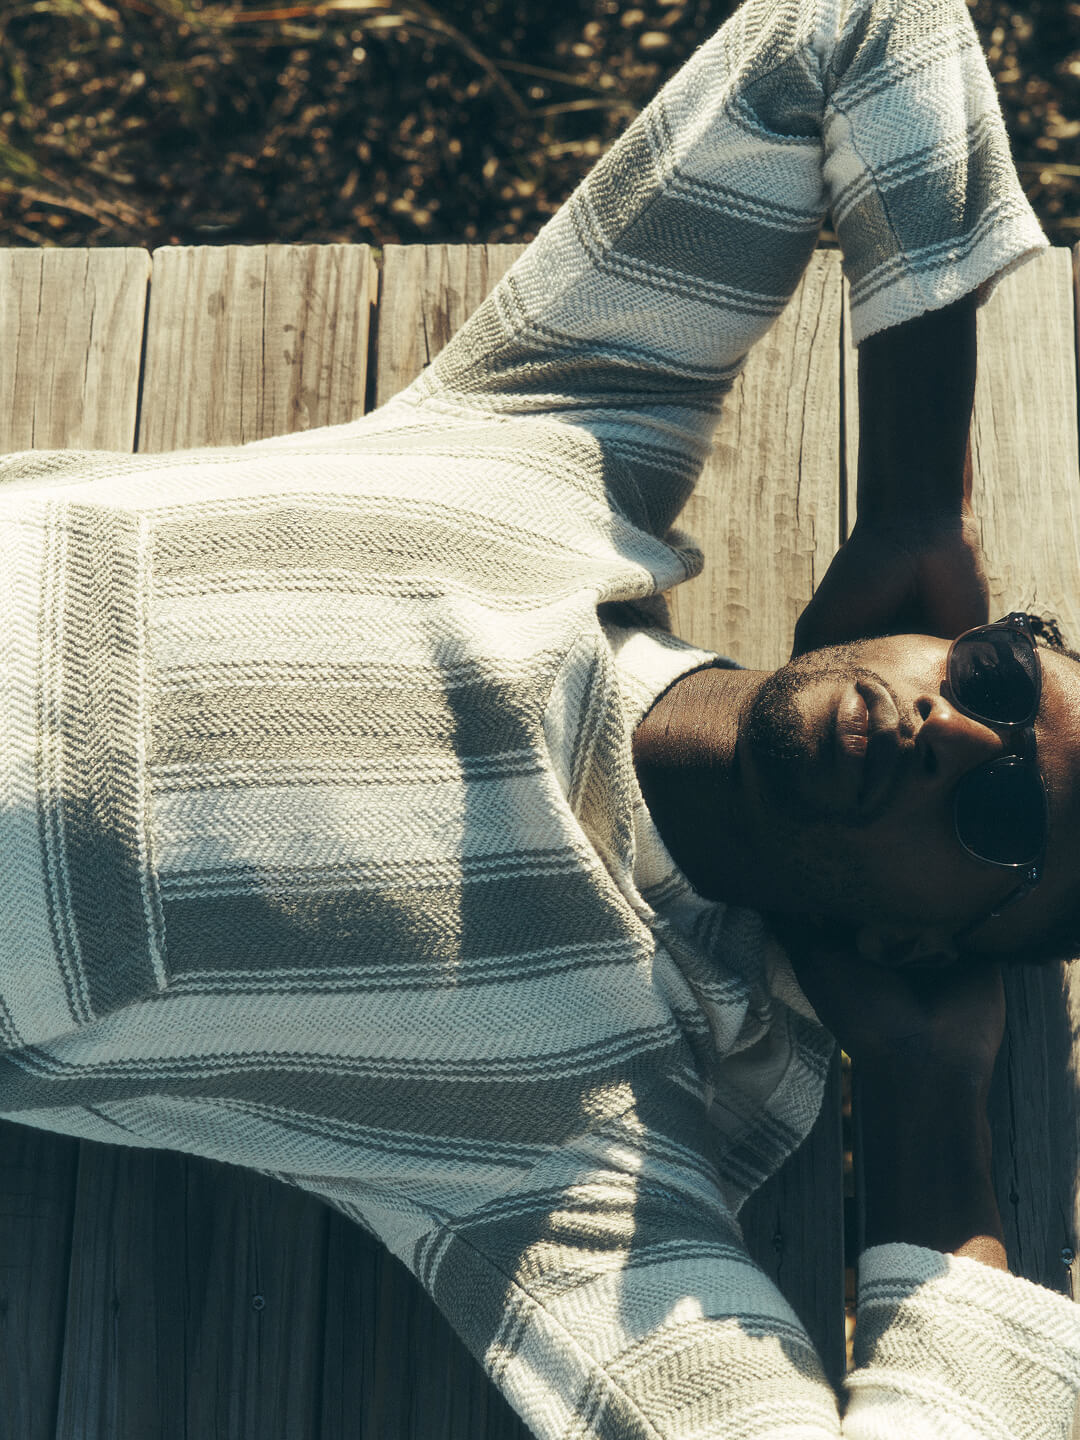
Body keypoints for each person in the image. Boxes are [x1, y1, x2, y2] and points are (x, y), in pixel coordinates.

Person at [1, 0, 1078, 1434]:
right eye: (1002, 682)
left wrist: (933, 1116)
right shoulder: (564, 446)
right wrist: (911, 500)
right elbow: (865, 34)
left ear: (915, 951)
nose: (951, 736)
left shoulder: (586, 1137)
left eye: (1004, 817)